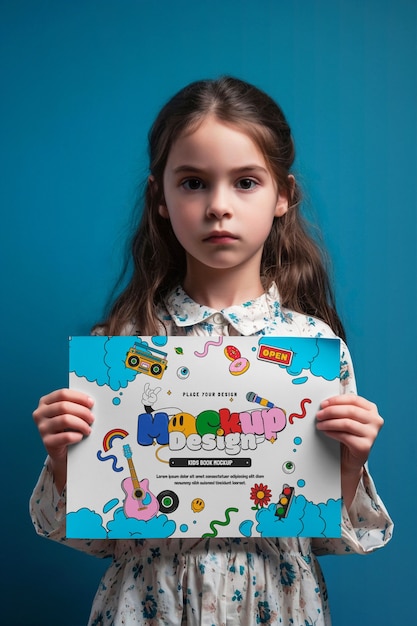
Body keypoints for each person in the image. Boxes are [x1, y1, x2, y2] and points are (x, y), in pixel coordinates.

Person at [30, 76, 393, 626]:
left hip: (276, 602)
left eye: (246, 182)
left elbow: (327, 536)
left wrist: (348, 465)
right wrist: (64, 463)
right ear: (160, 198)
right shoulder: (121, 350)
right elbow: (96, 536)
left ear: (283, 197)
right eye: (194, 182)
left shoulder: (314, 350)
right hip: (148, 603)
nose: (218, 206)